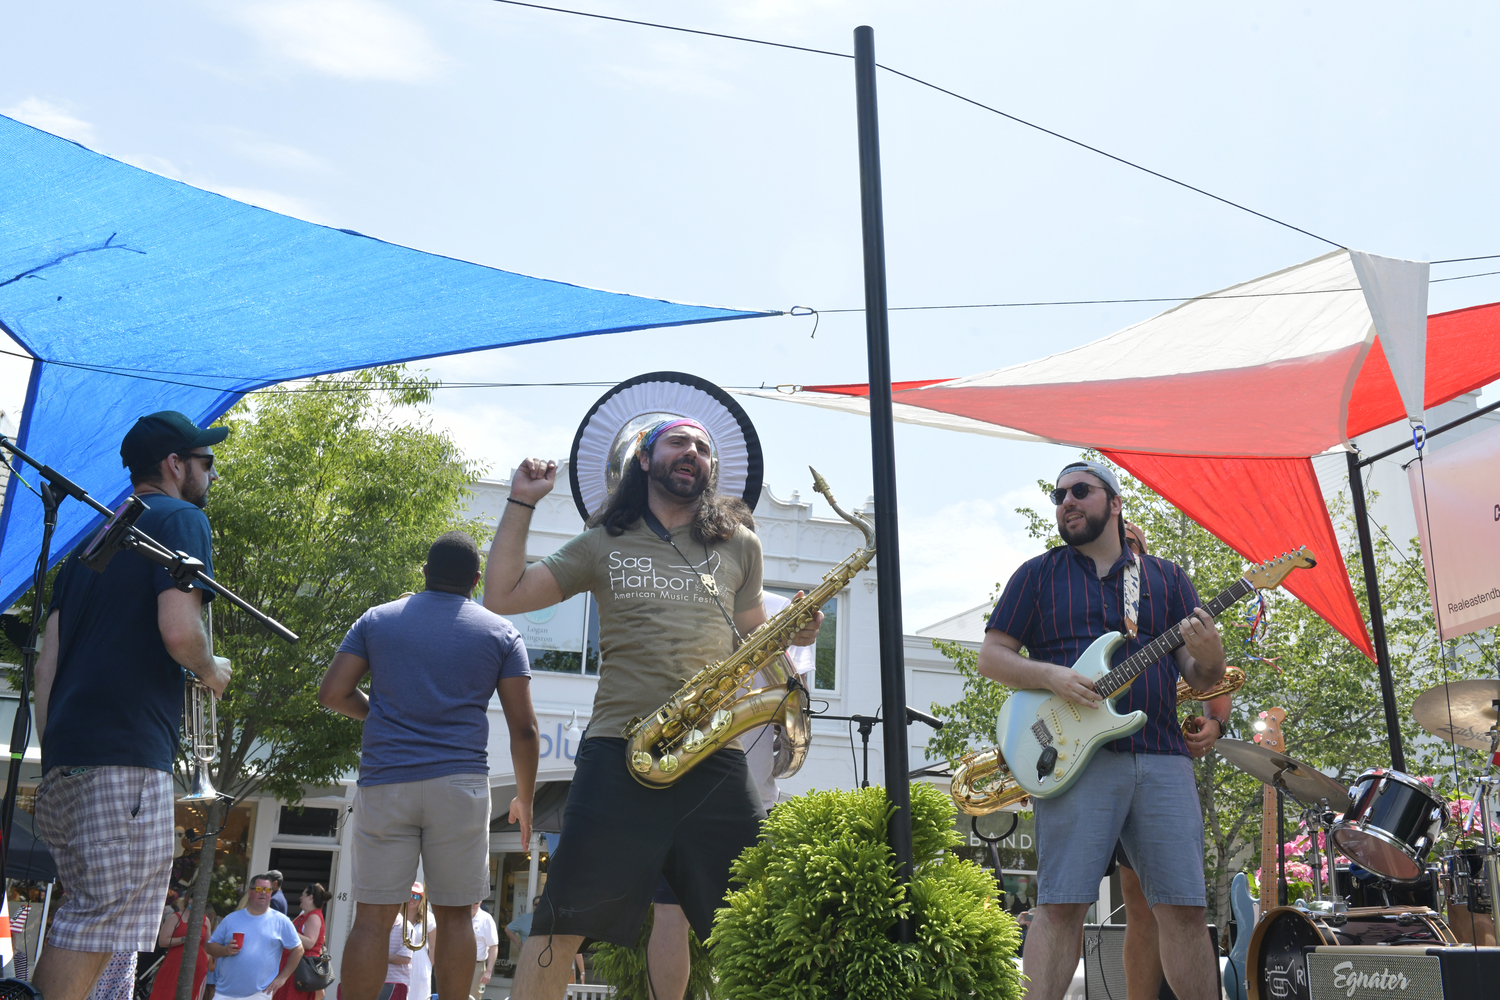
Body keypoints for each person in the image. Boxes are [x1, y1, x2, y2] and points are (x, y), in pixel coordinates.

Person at [483, 418, 822, 1000]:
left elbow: (755, 635)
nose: (692, 453)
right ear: (645, 459)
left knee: (763, 921)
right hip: (620, 749)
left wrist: (800, 643)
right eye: (678, 443)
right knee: (560, 924)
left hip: (713, 751)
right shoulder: (602, 541)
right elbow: (502, 594)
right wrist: (520, 502)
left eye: (703, 448)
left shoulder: (741, 545)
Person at [977, 460, 1226, 1000]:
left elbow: (1198, 676)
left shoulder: (1166, 578)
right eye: (1059, 493)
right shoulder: (1037, 574)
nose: (1067, 501)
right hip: (1072, 761)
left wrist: (1211, 656)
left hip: (1161, 755)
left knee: (1184, 910)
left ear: (1115, 503)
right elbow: (992, 658)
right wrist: (1052, 677)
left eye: (1081, 491)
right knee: (1061, 907)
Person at [32, 411, 234, 1000]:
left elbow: (47, 664)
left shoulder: (89, 540)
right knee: (94, 924)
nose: (212, 475)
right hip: (126, 760)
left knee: (90, 919)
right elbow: (179, 630)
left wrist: (57, 757)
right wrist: (209, 667)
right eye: (206, 462)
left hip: (69, 756)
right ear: (175, 466)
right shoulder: (182, 519)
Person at [319, 531, 538, 1000]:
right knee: (457, 913)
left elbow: (333, 692)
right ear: (476, 580)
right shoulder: (500, 632)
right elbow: (524, 730)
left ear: (424, 572)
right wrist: (525, 796)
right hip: (460, 785)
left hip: (385, 781)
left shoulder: (377, 620)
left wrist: (378, 714)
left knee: (373, 916)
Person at [644, 589, 816, 999]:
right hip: (737, 789)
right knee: (745, 917)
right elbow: (798, 710)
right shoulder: (775, 608)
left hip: (689, 785)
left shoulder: (681, 592)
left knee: (673, 915)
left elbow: (794, 701)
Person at [1112, 523, 1231, 1000]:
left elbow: (1216, 678)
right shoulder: (1084, 600)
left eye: (1134, 546)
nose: (1126, 553)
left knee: (1174, 906)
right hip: (1090, 761)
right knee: (1135, 907)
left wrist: (1215, 724)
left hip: (1157, 759)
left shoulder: (1163, 600)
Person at [204, 875, 303, 1000]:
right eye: (258, 889)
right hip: (225, 993)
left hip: (259, 994)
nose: (263, 893)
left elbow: (298, 950)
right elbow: (210, 947)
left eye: (267, 890)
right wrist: (225, 950)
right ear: (250, 892)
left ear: (271, 893)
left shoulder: (280, 921)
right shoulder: (231, 919)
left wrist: (282, 978)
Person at [150, 890, 212, 1000]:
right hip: (175, 963)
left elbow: (207, 946)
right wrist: (184, 939)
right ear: (189, 899)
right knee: (166, 994)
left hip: (197, 966)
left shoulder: (205, 920)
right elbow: (163, 941)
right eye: (196, 899)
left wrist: (206, 961)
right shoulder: (175, 917)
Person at [271, 884, 329, 1000]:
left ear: (310, 897)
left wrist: (288, 930)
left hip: (301, 970)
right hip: (295, 968)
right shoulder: (306, 915)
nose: (300, 898)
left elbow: (310, 943)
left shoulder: (314, 917)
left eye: (303, 895)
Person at [401, 886, 437, 1000]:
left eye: (416, 896)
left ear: (421, 899)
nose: (412, 899)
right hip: (399, 960)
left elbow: (433, 948)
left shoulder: (428, 918)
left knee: (420, 995)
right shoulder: (397, 915)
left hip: (420, 962)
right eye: (410, 895)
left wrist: (427, 966)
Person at [469, 903, 498, 1000]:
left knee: (472, 998)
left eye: (476, 903)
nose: (472, 905)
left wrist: (488, 971)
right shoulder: (458, 916)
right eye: (470, 902)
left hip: (476, 966)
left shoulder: (486, 919)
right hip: (456, 965)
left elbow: (493, 946)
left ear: (480, 902)